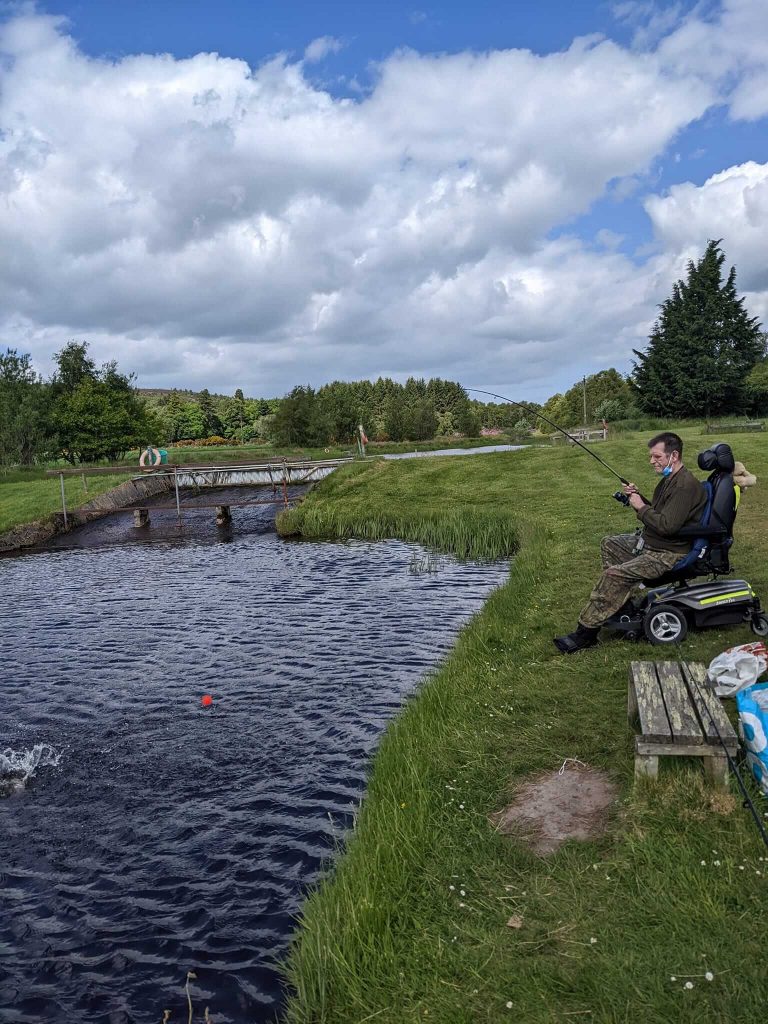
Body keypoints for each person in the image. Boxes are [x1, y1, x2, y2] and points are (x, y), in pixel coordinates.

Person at [554, 431, 707, 654]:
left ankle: (585, 633)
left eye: (657, 457)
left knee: (612, 575)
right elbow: (659, 512)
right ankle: (621, 605)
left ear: (673, 456)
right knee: (610, 544)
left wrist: (640, 507)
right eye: (650, 457)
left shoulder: (684, 486)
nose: (651, 461)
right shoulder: (670, 480)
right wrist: (638, 497)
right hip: (653, 543)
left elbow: (667, 526)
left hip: (667, 553)